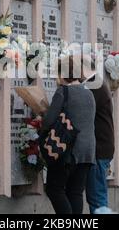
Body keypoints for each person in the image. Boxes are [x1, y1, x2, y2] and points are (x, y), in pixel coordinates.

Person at [40, 56, 96, 214]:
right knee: (75, 192)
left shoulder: (63, 91)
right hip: (87, 152)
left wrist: (42, 116)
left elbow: (49, 121)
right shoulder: (89, 94)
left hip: (67, 151)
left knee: (54, 189)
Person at [82, 56, 115, 214]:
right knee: (96, 195)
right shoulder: (96, 83)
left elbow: (82, 112)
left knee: (97, 197)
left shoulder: (94, 86)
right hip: (101, 148)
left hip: (99, 149)